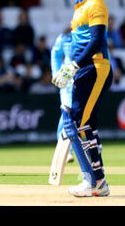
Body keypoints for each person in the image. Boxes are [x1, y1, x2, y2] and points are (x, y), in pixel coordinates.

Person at [52, 0, 112, 197]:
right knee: (86, 124)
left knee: (80, 123)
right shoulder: (81, 4)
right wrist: (70, 66)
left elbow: (97, 40)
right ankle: (97, 180)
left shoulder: (95, 3)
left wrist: (74, 65)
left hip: (95, 67)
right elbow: (82, 43)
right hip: (85, 68)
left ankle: (95, 181)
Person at [50, 30, 74, 163]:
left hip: (84, 78)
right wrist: (56, 72)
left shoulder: (90, 34)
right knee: (67, 111)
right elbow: (55, 53)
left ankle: (88, 147)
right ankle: (65, 149)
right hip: (67, 79)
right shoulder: (65, 37)